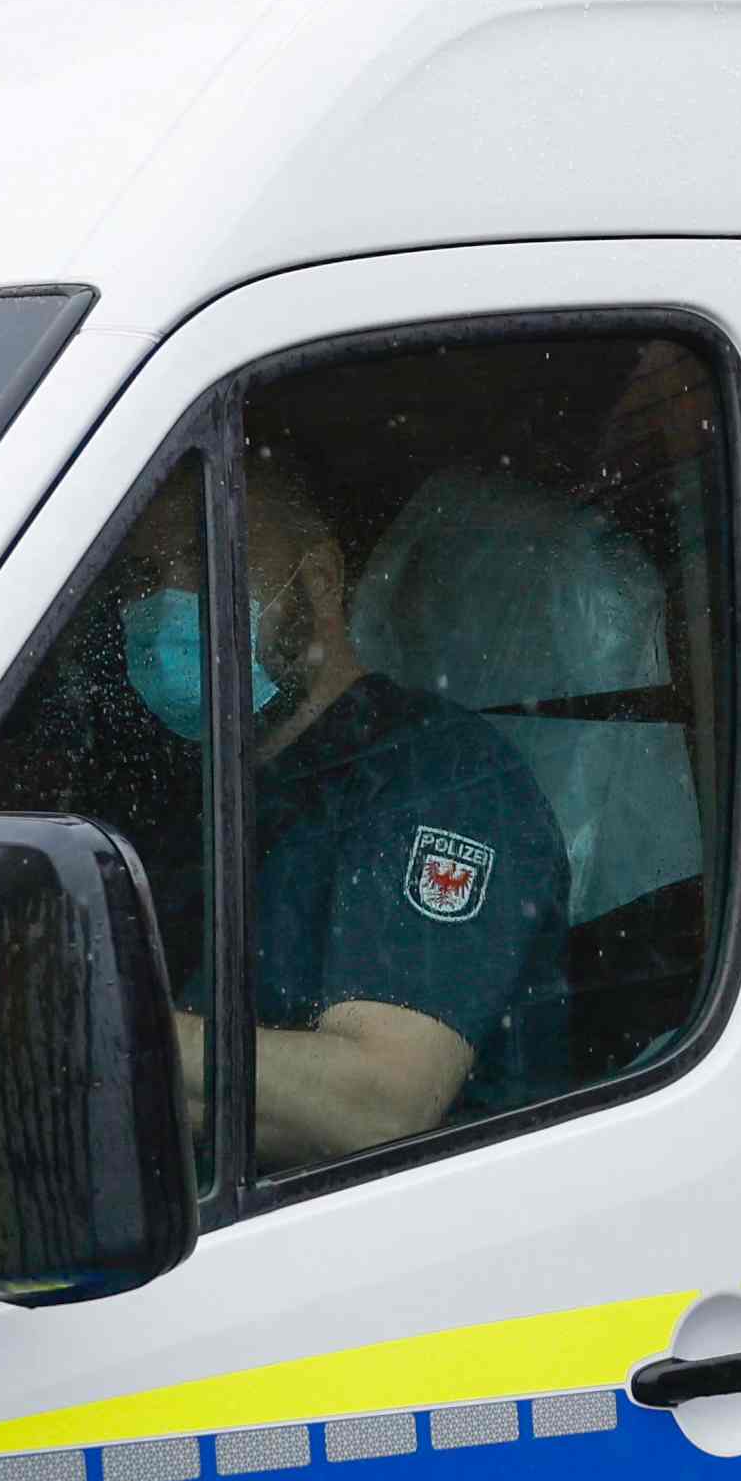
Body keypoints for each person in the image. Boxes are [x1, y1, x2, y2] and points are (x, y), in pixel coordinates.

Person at [178, 468, 563, 1168]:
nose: (166, 602)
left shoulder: (438, 778)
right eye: (146, 577)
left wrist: (97, 1035)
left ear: (319, 578)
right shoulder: (195, 785)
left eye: (200, 557)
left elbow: (382, 1105)